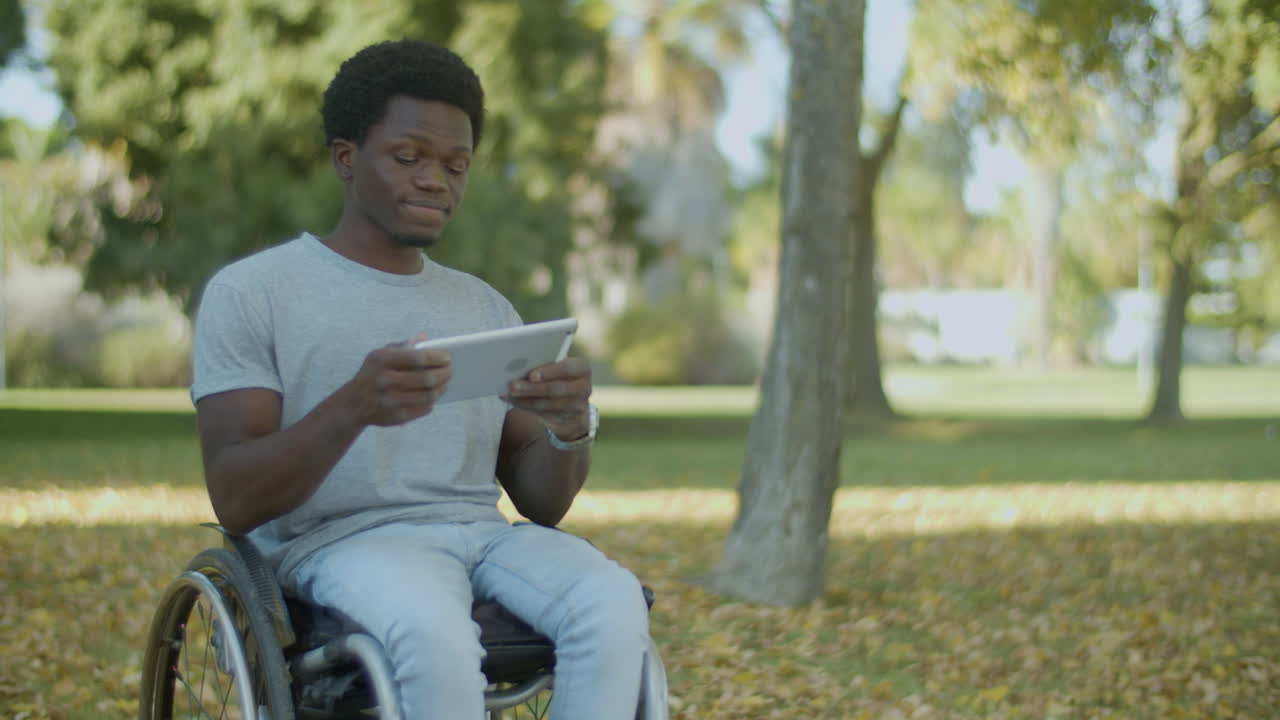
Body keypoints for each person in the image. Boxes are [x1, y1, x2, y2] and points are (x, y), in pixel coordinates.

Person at [190, 39, 649, 719]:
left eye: (455, 166)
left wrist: (568, 426)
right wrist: (353, 406)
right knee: (433, 635)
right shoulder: (256, 293)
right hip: (339, 543)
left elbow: (542, 504)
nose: (436, 179)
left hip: (481, 535)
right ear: (346, 158)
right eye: (409, 158)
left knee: (610, 603)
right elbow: (235, 496)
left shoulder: (485, 306)